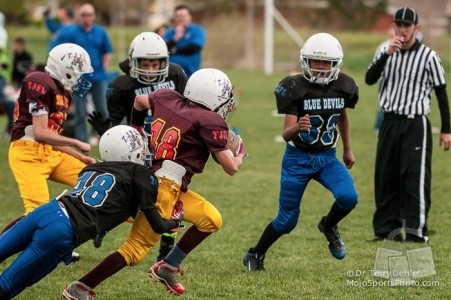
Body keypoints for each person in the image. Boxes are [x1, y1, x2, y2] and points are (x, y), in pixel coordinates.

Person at [63, 68, 246, 297]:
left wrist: (137, 130)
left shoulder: (167, 97)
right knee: (134, 250)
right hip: (164, 188)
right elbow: (231, 167)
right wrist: (240, 151)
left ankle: (167, 266)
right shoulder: (209, 120)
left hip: (160, 179)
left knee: (211, 219)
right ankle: (81, 287)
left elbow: (139, 102)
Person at [0, 125, 184, 300]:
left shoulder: (91, 168)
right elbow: (158, 225)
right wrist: (176, 221)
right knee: (6, 285)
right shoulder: (141, 174)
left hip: (47, 210)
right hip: (63, 230)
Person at [243, 32, 359, 271]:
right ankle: (256, 254)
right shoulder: (295, 87)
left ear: (335, 64)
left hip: (327, 158)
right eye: (315, 62)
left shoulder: (344, 87)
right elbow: (286, 134)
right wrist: (298, 127)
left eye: (325, 63)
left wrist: (347, 149)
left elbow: (342, 117)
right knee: (287, 221)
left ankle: (328, 226)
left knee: (349, 197)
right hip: (297, 159)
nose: (320, 67)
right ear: (305, 61)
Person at [88, 31, 188, 256]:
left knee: (171, 196)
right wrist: (108, 131)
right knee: (129, 195)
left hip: (168, 144)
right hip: (137, 148)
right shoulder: (121, 86)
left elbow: (187, 109)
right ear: (134, 61)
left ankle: (167, 244)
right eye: (146, 64)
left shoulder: (176, 74)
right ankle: (103, 223)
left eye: (156, 64)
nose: (151, 70)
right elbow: (119, 128)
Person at [365, 7, 451, 243]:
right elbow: (370, 79)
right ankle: (385, 230)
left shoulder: (429, 57)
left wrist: (446, 129)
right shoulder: (384, 50)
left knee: (413, 177)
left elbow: (442, 93)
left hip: (415, 124)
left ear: (416, 28)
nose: (402, 30)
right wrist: (386, 55)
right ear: (393, 26)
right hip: (389, 123)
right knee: (385, 176)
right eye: (398, 25)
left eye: (407, 25)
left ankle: (415, 231)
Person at [4, 43, 96, 239]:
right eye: (78, 72)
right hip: (28, 153)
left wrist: (79, 157)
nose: (81, 78)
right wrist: (76, 142)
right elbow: (40, 133)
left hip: (51, 153)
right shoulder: (39, 82)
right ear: (63, 69)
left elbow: (51, 138)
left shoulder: (64, 92)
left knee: (92, 180)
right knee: (37, 212)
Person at [53, 3, 113, 143]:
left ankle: (105, 138)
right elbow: (63, 51)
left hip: (98, 76)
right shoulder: (71, 33)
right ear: (80, 16)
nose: (87, 17)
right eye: (84, 14)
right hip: (78, 79)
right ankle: (81, 139)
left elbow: (107, 52)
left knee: (102, 109)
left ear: (94, 16)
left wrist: (104, 67)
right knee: (80, 111)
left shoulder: (101, 32)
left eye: (89, 14)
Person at [163, 4, 206, 77]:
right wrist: (175, 39)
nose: (181, 18)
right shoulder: (169, 33)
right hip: (171, 75)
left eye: (183, 16)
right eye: (178, 16)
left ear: (189, 17)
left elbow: (194, 48)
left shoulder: (197, 30)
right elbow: (164, 50)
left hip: (191, 74)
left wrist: (174, 50)